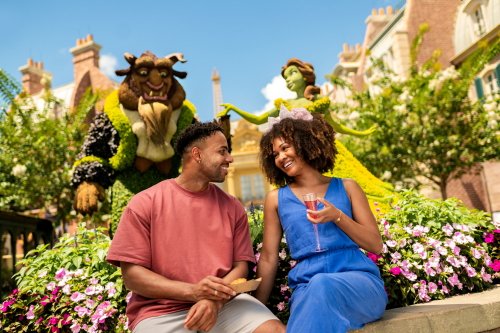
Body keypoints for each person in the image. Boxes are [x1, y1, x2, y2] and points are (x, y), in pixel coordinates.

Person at [107, 121, 285, 333]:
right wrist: (194, 292)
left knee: (273, 330)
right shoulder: (145, 202)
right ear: (197, 154)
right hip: (160, 312)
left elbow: (240, 268)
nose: (230, 158)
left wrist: (213, 301)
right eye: (222, 151)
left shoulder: (233, 207)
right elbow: (133, 276)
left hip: (225, 305)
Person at [254, 109, 388, 332]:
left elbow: (376, 244)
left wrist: (337, 216)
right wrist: (256, 308)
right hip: (307, 290)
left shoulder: (347, 187)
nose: (280, 157)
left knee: (322, 285)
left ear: (304, 142)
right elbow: (268, 258)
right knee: (317, 287)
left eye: (285, 148)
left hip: (360, 285)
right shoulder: (275, 199)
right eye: (275, 154)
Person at [217, 58, 375, 137]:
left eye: (292, 73)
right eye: (286, 77)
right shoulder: (285, 104)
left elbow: (337, 126)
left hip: (320, 153)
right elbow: (259, 119)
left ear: (305, 75)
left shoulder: (317, 102)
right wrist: (234, 108)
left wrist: (361, 133)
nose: (289, 79)